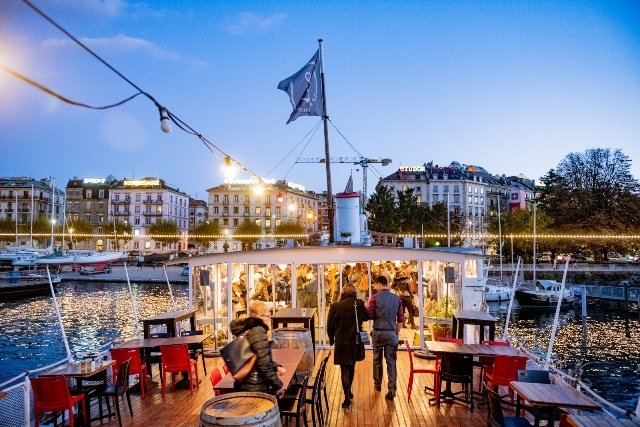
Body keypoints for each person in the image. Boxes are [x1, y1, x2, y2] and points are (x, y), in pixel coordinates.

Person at [228, 300, 286, 395]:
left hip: (246, 384)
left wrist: (275, 366)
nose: (269, 319)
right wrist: (278, 385)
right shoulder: (258, 331)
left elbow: (258, 356)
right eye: (267, 316)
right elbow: (263, 363)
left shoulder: (249, 328)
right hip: (255, 386)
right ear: (259, 316)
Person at [327, 284, 369, 409]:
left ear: (343, 292)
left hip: (342, 342)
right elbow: (367, 317)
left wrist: (331, 339)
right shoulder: (359, 304)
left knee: (344, 369)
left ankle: (346, 396)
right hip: (355, 341)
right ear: (354, 292)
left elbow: (330, 326)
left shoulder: (335, 306)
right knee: (352, 366)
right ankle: (349, 390)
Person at [367, 275, 403, 400]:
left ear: (378, 284)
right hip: (391, 333)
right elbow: (400, 319)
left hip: (378, 332)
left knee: (377, 360)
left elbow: (370, 315)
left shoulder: (374, 298)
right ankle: (392, 390)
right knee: (391, 362)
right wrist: (396, 334)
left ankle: (378, 385)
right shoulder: (397, 299)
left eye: (375, 285)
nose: (374, 287)